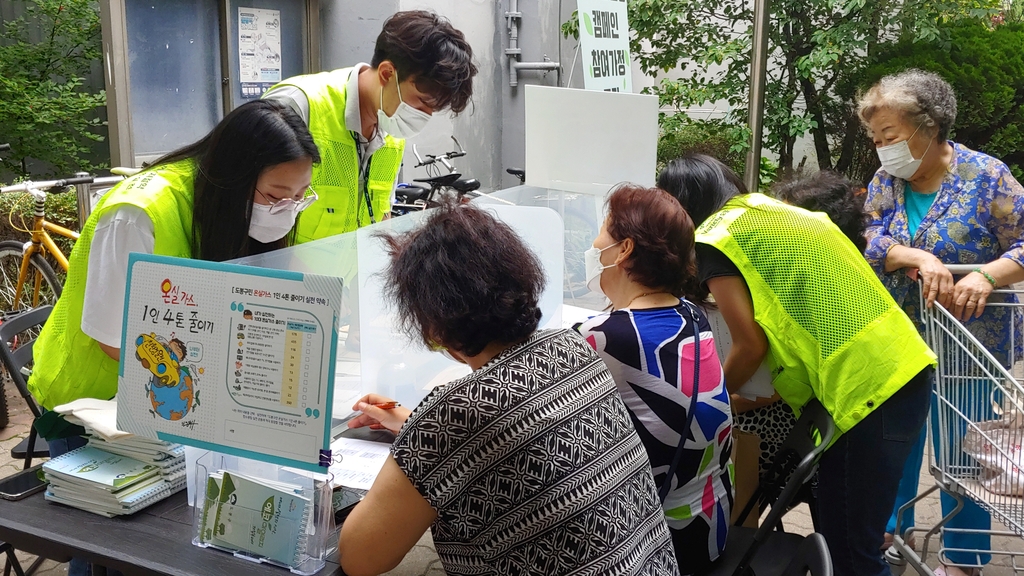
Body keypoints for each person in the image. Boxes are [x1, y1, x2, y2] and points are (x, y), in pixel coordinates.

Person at [29, 100, 319, 542]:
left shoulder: (230, 207)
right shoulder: (137, 213)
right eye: (277, 197)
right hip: (94, 404)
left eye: (300, 197)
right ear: (234, 176)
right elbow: (115, 340)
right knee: (113, 541)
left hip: (175, 399)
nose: (287, 210)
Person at [338, 204, 680, 576]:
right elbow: (515, 433)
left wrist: (424, 434)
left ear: (433, 326)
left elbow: (360, 558)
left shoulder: (454, 415)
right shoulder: (572, 347)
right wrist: (417, 427)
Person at [657, 153, 936, 576]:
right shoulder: (773, 213)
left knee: (852, 554)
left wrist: (712, 402)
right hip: (894, 366)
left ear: (680, 205)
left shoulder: (715, 236)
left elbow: (749, 344)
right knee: (843, 531)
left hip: (868, 388)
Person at [859, 69, 1024, 576]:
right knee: (895, 444)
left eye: (890, 136)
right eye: (876, 139)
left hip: (972, 340)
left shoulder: (988, 176)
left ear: (928, 128)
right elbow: (868, 238)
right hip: (900, 336)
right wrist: (916, 256)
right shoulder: (887, 182)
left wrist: (987, 275)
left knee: (965, 453)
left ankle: (964, 558)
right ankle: (890, 531)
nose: (883, 149)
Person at [576, 184, 732, 575]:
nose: (595, 244)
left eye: (603, 231)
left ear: (624, 249)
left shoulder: (600, 336)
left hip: (658, 546)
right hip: (711, 525)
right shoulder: (693, 315)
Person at [264, 10, 476, 242]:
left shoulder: (392, 129)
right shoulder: (296, 105)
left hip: (354, 275)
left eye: (433, 110)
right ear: (387, 73)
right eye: (423, 102)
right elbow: (240, 208)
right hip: (288, 275)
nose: (424, 116)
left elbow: (382, 212)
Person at [731, 171, 872, 482]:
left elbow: (783, 384)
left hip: (797, 427)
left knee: (730, 441)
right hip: (807, 420)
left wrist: (722, 401)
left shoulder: (821, 294)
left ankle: (736, 524)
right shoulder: (837, 277)